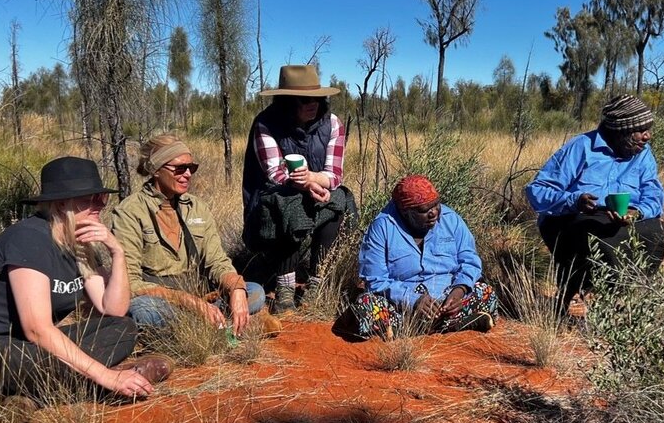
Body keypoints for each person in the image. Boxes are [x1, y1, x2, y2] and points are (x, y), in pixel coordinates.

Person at [0, 157, 171, 402]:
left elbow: (113, 309)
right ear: (62, 203)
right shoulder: (30, 239)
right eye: (89, 199)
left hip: (24, 345)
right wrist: (105, 375)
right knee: (12, 357)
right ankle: (98, 385)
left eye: (102, 198)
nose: (99, 205)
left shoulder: (80, 243)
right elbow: (37, 329)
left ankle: (29, 395)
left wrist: (117, 253)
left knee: (122, 329)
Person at [111, 134, 280, 338]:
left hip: (201, 294)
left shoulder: (197, 207)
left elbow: (217, 261)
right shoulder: (130, 212)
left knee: (254, 292)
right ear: (156, 171)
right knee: (144, 311)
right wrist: (188, 302)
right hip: (161, 297)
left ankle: (205, 326)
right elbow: (131, 284)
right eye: (180, 169)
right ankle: (231, 326)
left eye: (191, 168)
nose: (188, 174)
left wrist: (235, 288)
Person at [525, 94, 664, 313]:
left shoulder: (643, 154)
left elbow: (654, 194)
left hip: (623, 217)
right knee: (602, 237)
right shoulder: (582, 146)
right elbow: (538, 191)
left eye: (649, 128)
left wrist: (637, 212)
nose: (647, 136)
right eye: (641, 130)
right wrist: (573, 200)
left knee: (653, 231)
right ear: (621, 131)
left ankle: (624, 296)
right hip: (572, 216)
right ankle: (583, 299)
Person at [242, 64, 356, 313]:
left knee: (337, 200)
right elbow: (275, 174)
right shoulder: (266, 124)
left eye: (317, 98)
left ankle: (317, 280)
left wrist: (314, 182)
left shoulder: (333, 124)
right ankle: (285, 285)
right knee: (289, 204)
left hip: (314, 185)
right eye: (304, 99)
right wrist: (305, 186)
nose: (312, 104)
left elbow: (334, 174)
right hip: (275, 196)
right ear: (287, 101)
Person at [351, 175, 498, 339]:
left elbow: (470, 261)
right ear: (406, 212)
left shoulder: (451, 219)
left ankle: (427, 326)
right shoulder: (382, 227)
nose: (434, 213)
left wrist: (459, 290)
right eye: (424, 210)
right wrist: (413, 300)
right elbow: (375, 280)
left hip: (446, 299)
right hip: (402, 307)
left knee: (485, 292)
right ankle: (440, 326)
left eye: (436, 205)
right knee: (366, 304)